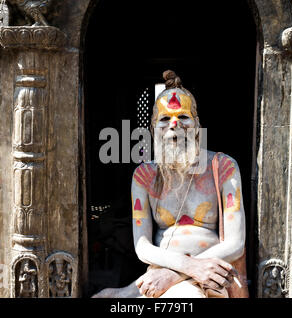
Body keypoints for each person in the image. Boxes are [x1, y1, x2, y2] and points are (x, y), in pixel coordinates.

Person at [92, 70, 248, 298]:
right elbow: (142, 247)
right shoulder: (144, 175)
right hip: (158, 275)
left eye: (183, 117)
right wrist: (184, 268)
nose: (174, 125)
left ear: (196, 125)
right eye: (165, 119)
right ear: (154, 129)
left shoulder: (224, 166)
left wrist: (179, 273)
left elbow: (236, 243)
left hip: (211, 276)